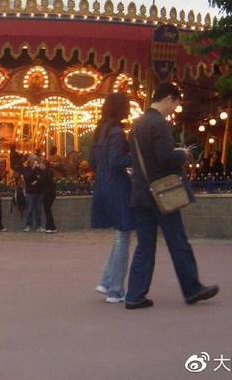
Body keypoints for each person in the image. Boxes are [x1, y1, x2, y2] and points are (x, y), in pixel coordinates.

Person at [125, 82, 219, 310]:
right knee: (178, 242)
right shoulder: (158, 123)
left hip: (141, 193)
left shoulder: (137, 124)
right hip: (162, 194)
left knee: (145, 246)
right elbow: (165, 158)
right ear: (168, 98)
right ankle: (192, 289)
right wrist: (182, 154)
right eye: (175, 104)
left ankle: (135, 295)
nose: (174, 109)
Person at [90, 92, 135, 303]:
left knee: (120, 235)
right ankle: (115, 289)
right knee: (123, 235)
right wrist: (136, 155)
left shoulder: (101, 130)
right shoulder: (116, 132)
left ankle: (106, 281)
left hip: (102, 183)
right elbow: (116, 160)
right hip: (116, 186)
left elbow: (92, 160)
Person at [22, 154, 44, 232]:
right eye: (34, 159)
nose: (35, 161)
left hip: (39, 192)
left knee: (39, 210)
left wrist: (37, 182)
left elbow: (42, 177)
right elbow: (27, 177)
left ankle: (39, 226)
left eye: (36, 159)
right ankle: (28, 225)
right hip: (30, 192)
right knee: (30, 210)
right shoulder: (26, 169)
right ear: (30, 160)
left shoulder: (39, 169)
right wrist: (33, 169)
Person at [41, 157, 58, 233]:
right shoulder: (49, 171)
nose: (40, 165)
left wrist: (36, 182)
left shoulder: (45, 172)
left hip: (48, 193)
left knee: (47, 210)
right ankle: (52, 227)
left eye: (41, 164)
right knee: (48, 210)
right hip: (51, 193)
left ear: (44, 165)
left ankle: (49, 227)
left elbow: (42, 181)